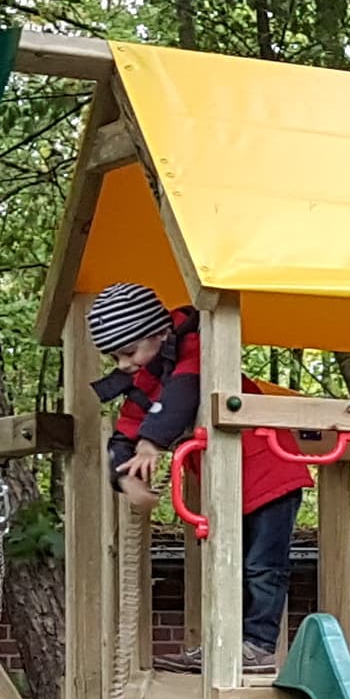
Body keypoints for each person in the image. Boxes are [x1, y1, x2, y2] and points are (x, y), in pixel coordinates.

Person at [85, 281, 312, 665]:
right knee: (227, 565)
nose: (124, 365)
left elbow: (184, 394)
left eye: (127, 352)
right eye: (115, 358)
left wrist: (151, 444)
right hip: (228, 486)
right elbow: (126, 427)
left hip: (273, 475)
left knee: (262, 566)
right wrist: (124, 476)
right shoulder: (150, 379)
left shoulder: (197, 347)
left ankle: (258, 643)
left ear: (157, 332)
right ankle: (226, 644)